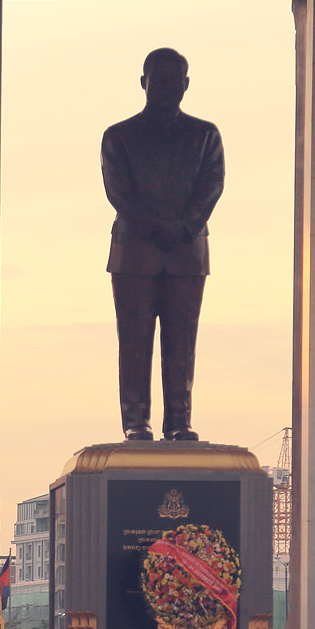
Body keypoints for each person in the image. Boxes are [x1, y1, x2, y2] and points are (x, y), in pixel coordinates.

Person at [102, 47, 225, 443]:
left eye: (176, 80)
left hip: (187, 252)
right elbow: (118, 192)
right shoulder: (119, 136)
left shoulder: (205, 134)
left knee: (182, 344)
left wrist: (184, 226)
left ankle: (179, 422)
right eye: (160, 79)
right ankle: (136, 422)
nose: (168, 87)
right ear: (144, 83)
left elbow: (212, 185)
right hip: (135, 252)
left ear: (186, 85)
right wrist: (158, 227)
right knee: (134, 342)